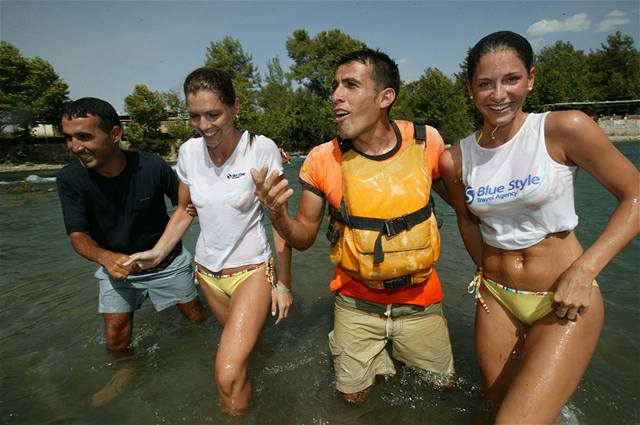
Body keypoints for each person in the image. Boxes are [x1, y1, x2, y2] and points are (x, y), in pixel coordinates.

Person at [439, 31, 640, 424]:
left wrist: (585, 271)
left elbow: (634, 196)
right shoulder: (457, 158)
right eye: (485, 84)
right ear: (470, 90)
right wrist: (483, 269)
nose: (499, 94)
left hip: (563, 298)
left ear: (530, 78)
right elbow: (465, 218)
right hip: (496, 298)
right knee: (495, 408)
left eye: (511, 79)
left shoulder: (564, 129)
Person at [251, 49, 455, 404]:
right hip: (356, 304)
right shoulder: (321, 160)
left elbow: (467, 207)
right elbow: (303, 238)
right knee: (354, 400)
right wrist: (278, 215)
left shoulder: (427, 143)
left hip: (421, 301)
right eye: (335, 86)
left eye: (350, 85)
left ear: (384, 97)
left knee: (443, 392)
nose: (335, 96)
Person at [124, 67, 293, 415]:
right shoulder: (187, 153)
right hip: (209, 276)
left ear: (235, 107)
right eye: (195, 116)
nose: (204, 126)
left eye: (213, 114)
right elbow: (186, 209)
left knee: (227, 374)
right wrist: (157, 253)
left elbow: (280, 221)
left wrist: (284, 283)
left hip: (252, 272)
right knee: (252, 352)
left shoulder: (259, 150)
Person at [56, 97, 206, 405]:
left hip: (169, 261)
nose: (74, 146)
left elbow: (186, 206)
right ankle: (126, 371)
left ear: (114, 135)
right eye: (68, 138)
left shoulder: (152, 166)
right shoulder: (69, 179)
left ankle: (204, 356)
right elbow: (77, 235)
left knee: (195, 318)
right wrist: (106, 258)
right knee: (115, 336)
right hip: (117, 268)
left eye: (84, 136)